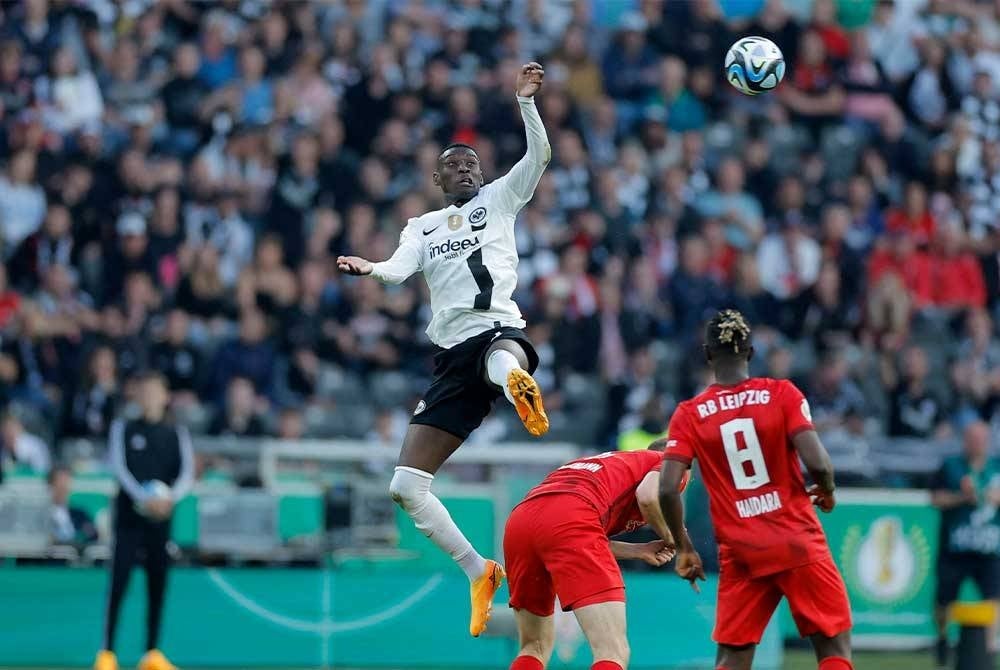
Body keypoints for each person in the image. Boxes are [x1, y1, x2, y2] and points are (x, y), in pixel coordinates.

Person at [336, 63, 550, 636]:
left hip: (498, 329)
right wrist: (370, 267)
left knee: (500, 355)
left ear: (482, 174)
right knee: (405, 485)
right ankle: (480, 571)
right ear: (436, 178)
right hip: (452, 356)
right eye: (452, 164)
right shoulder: (422, 226)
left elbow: (539, 159)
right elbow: (397, 272)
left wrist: (525, 103)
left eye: (471, 163)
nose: (463, 168)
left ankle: (517, 386)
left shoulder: (501, 200)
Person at [658, 310, 853, 670]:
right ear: (750, 352)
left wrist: (684, 548)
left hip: (742, 551)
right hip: (797, 539)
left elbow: (668, 489)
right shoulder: (781, 393)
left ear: (707, 354)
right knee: (833, 648)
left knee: (733, 656)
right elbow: (820, 464)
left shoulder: (690, 414)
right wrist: (826, 490)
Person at [503, 445, 687, 670]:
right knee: (611, 651)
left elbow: (568, 531)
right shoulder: (675, 460)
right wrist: (672, 536)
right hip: (572, 516)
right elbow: (647, 496)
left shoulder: (607, 465)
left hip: (521, 521)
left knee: (534, 646)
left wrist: (638, 550)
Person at [95, 372, 194, 670]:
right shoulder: (122, 429)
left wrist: (169, 499)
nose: (150, 396)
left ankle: (151, 652)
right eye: (145, 391)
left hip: (161, 519)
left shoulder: (176, 433)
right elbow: (120, 468)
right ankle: (107, 652)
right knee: (119, 583)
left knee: (157, 583)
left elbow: (186, 473)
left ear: (165, 397)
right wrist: (143, 497)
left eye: (155, 390)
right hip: (129, 519)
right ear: (137, 396)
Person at [930, 421, 1000, 669]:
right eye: (973, 438)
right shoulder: (950, 466)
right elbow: (935, 499)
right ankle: (942, 639)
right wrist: (962, 498)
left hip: (988, 547)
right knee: (944, 601)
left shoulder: (996, 467)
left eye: (981, 439)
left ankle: (989, 650)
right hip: (955, 547)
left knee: (993, 597)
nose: (977, 444)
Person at [48, 464, 98, 546]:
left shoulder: (80, 514)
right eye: (60, 485)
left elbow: (93, 535)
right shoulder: (43, 515)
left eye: (66, 483)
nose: (64, 488)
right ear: (51, 486)